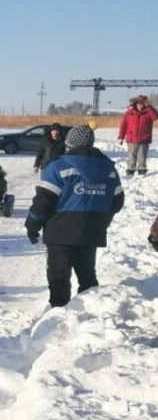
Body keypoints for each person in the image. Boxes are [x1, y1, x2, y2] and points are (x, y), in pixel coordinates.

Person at [25, 125, 124, 308]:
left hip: (60, 232)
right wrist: (100, 217)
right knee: (87, 277)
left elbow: (44, 201)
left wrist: (32, 225)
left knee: (59, 277)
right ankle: (88, 314)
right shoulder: (109, 168)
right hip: (92, 232)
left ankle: (58, 315)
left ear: (70, 143)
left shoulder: (59, 165)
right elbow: (117, 202)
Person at [117, 95, 158, 176]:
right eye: (139, 104)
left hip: (144, 139)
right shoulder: (129, 113)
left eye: (143, 104)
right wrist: (121, 137)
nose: (141, 106)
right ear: (135, 104)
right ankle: (130, 171)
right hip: (131, 139)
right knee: (131, 157)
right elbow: (123, 125)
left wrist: (149, 107)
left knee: (142, 158)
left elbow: (155, 117)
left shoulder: (148, 112)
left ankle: (142, 171)